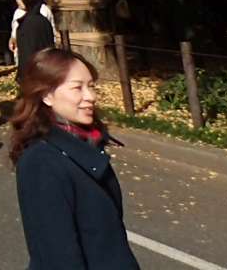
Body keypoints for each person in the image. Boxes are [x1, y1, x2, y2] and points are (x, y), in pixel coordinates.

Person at [10, 48, 140, 268]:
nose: (91, 97)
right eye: (77, 88)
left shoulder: (87, 146)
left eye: (91, 86)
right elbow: (57, 256)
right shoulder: (42, 162)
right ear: (47, 95)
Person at [11, 0, 57, 92]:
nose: (17, 1)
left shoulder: (29, 23)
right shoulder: (42, 20)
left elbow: (28, 50)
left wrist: (23, 73)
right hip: (45, 67)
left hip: (33, 71)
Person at [9, 0, 55, 65]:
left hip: (37, 60)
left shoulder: (42, 12)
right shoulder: (18, 12)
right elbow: (15, 29)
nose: (17, 0)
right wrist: (13, 38)